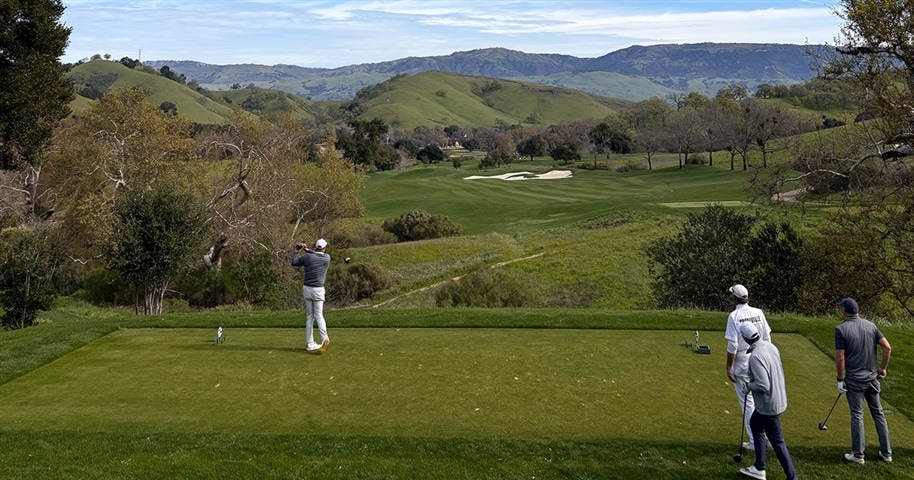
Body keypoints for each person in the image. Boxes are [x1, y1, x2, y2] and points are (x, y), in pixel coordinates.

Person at [835, 297, 892, 465]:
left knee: (857, 416)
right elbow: (887, 347)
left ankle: (858, 455)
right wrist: (882, 368)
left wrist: (840, 380)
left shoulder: (841, 329)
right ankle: (886, 453)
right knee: (878, 414)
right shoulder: (871, 326)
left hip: (854, 381)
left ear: (844, 311)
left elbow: (840, 358)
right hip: (872, 379)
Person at [738, 322, 798, 480]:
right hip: (778, 399)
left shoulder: (755, 357)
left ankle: (792, 477)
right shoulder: (771, 346)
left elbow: (763, 385)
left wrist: (748, 386)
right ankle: (759, 467)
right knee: (755, 425)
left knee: (777, 442)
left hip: (768, 405)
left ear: (745, 338)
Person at [724, 284, 772, 451]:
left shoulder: (734, 316)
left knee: (748, 404)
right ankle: (768, 437)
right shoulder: (759, 312)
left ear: (734, 298)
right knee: (763, 402)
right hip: (761, 360)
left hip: (743, 364)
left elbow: (733, 346)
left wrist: (729, 367)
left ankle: (755, 441)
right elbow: (767, 338)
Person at [291, 238, 331, 355]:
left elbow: (294, 262)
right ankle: (324, 339)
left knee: (310, 316)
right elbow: (317, 254)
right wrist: (307, 249)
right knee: (319, 315)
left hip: (307, 289)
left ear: (316, 247)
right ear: (325, 248)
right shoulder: (327, 258)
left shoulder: (308, 257)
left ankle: (310, 344)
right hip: (318, 290)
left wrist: (297, 250)